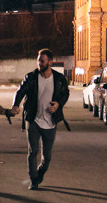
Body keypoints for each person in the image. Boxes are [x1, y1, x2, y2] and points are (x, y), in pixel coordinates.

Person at [10, 48, 70, 190]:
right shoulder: (31, 77)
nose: (39, 63)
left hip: (50, 121)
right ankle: (33, 179)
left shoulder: (59, 78)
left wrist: (58, 105)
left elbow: (65, 93)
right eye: (38, 60)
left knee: (47, 156)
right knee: (33, 151)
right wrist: (15, 105)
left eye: (42, 61)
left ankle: (40, 172)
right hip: (33, 119)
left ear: (50, 62)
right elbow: (20, 92)